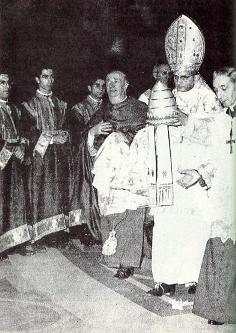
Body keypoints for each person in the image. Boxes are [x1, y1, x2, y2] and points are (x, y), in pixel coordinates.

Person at [148, 15, 222, 296]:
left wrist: (185, 119)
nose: (178, 81)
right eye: (175, 76)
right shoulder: (166, 92)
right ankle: (165, 278)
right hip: (170, 168)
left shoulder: (209, 98)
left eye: (184, 76)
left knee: (193, 224)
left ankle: (192, 276)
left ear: (196, 73)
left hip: (195, 172)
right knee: (167, 222)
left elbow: (215, 135)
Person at [88, 70, 147, 278]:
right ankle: (112, 256)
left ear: (126, 84)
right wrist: (92, 132)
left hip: (130, 170)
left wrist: (125, 138)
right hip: (108, 172)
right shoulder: (101, 111)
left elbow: (147, 137)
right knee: (110, 210)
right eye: (108, 81)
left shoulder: (139, 109)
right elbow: (90, 144)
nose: (111, 85)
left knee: (130, 213)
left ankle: (128, 262)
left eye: (117, 81)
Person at [193, 67, 236, 325]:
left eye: (224, 88)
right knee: (221, 245)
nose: (219, 95)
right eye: (217, 89)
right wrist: (200, 172)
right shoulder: (220, 120)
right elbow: (213, 157)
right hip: (225, 189)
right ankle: (220, 309)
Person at [22, 67, 74, 250]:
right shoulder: (29, 105)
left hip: (59, 157)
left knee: (59, 193)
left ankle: (57, 234)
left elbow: (69, 129)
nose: (49, 80)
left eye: (52, 76)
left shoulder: (61, 104)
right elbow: (29, 132)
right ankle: (39, 236)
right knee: (41, 193)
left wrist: (65, 135)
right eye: (45, 77)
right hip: (40, 158)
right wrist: (51, 137)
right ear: (37, 79)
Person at [69, 75, 106, 245]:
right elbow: (76, 135)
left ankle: (101, 228)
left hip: (103, 155)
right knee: (86, 192)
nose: (101, 88)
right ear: (89, 87)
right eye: (97, 85)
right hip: (84, 158)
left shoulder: (108, 106)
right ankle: (86, 229)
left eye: (103, 86)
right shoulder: (79, 109)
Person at [0, 70, 31, 259]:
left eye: (8, 83)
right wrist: (12, 147)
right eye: (2, 83)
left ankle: (13, 242)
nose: (6, 87)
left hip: (13, 164)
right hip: (2, 162)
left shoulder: (16, 109)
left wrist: (22, 144)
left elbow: (25, 132)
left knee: (15, 201)